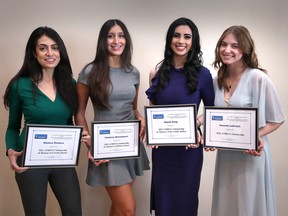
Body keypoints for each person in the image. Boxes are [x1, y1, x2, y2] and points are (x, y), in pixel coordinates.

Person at [3, 26, 83, 215]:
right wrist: (10, 151)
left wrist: (81, 137)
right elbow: (13, 127)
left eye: (54, 48)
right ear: (33, 52)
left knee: (74, 212)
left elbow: (69, 124)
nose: (50, 53)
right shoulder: (19, 85)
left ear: (60, 52)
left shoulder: (70, 84)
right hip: (30, 161)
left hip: (62, 160)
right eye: (43, 48)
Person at [75, 19, 150, 216]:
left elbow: (132, 108)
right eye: (110, 36)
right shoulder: (89, 72)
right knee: (128, 210)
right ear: (103, 40)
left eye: (121, 35)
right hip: (106, 147)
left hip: (130, 144)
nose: (116, 41)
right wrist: (90, 143)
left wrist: (140, 116)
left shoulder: (133, 72)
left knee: (118, 208)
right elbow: (79, 113)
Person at [210, 25, 285, 216]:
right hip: (226, 156)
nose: (228, 50)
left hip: (251, 154)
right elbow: (215, 115)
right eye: (224, 45)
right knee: (227, 205)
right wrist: (200, 128)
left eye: (235, 46)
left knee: (249, 206)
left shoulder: (258, 78)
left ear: (245, 49)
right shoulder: (216, 80)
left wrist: (253, 136)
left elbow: (277, 119)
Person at [145, 17, 215, 215]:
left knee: (185, 202)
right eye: (176, 35)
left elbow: (211, 110)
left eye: (187, 36)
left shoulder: (203, 74)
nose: (181, 41)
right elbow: (153, 107)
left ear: (194, 42)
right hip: (163, 150)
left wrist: (196, 123)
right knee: (164, 204)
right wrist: (152, 132)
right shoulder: (155, 72)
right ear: (169, 39)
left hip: (189, 150)